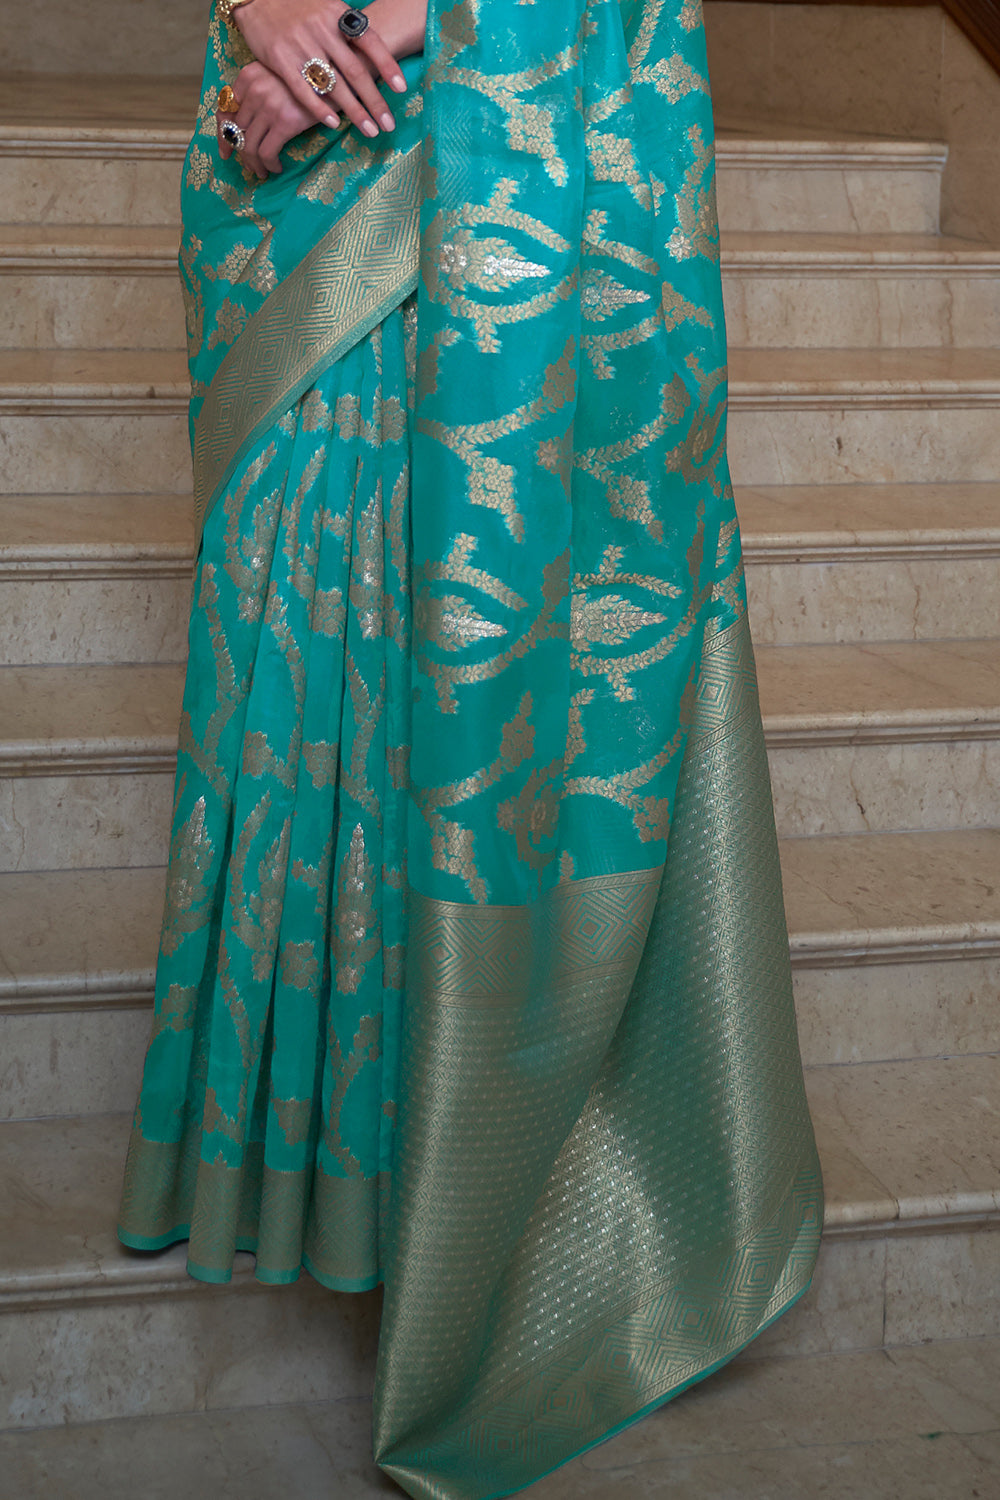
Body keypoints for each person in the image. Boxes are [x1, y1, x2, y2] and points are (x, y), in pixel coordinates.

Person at [118, 2, 824, 1495]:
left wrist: (367, 25)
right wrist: (263, 15)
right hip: (294, 129)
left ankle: (459, 1195)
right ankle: (311, 1171)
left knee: (453, 653)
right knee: (306, 617)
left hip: (493, 110)